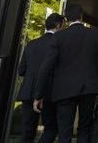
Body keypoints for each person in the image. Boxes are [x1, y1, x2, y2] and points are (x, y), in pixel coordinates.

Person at [34, 4, 98, 143]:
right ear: (81, 17)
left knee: (64, 131)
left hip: (64, 89)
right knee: (85, 128)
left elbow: (46, 66)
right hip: (89, 88)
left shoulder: (59, 36)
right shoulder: (95, 35)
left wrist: (39, 94)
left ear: (66, 19)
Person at [17, 13, 64, 143]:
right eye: (63, 26)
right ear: (58, 25)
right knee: (51, 128)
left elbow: (21, 71)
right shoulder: (59, 45)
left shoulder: (31, 44)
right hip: (48, 93)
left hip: (28, 92)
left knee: (27, 131)